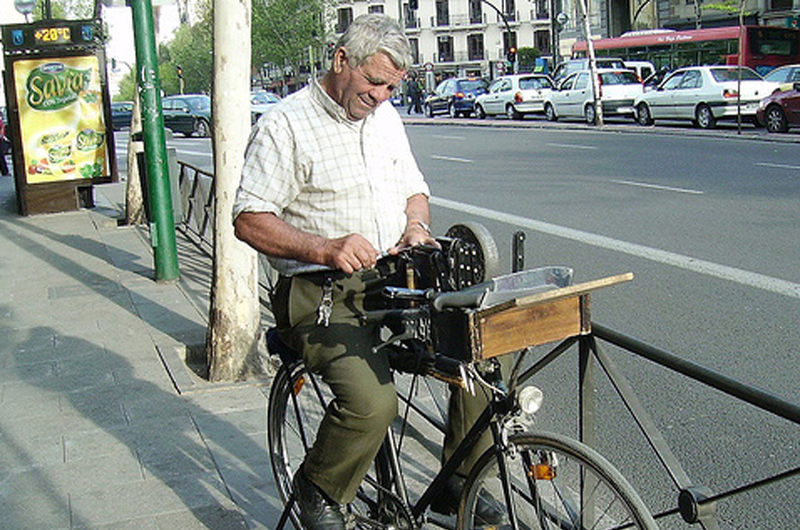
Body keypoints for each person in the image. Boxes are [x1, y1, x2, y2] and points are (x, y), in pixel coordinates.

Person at [233, 14, 501, 530]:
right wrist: (325, 247)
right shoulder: (285, 126)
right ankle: (319, 491)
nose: (381, 96)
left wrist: (416, 226)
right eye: (373, 82)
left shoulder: (386, 119)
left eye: (392, 87)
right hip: (319, 291)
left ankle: (458, 483)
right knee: (372, 404)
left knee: (480, 355)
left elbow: (413, 190)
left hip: (392, 276)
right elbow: (248, 220)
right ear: (341, 61)